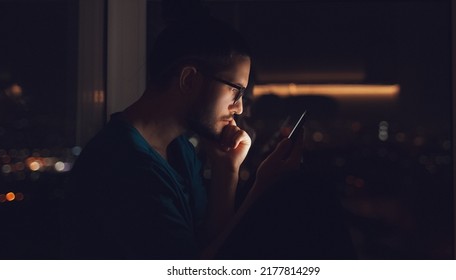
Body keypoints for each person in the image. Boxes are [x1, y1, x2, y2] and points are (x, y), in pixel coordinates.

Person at [59, 9, 303, 259]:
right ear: (188, 80)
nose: (239, 108)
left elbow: (208, 244)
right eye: (235, 91)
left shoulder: (179, 149)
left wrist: (226, 170)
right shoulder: (123, 166)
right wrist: (262, 187)